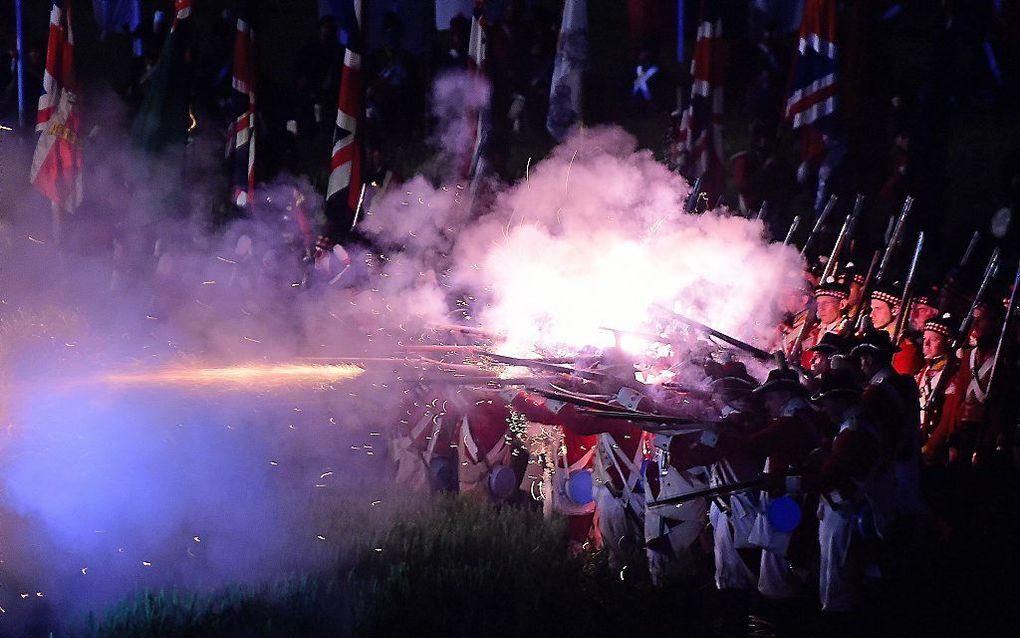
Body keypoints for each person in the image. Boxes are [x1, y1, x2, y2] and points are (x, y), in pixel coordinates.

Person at [916, 316, 959, 437]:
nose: (926, 344)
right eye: (925, 338)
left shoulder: (952, 373)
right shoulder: (926, 369)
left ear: (948, 342)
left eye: (934, 340)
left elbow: (947, 417)